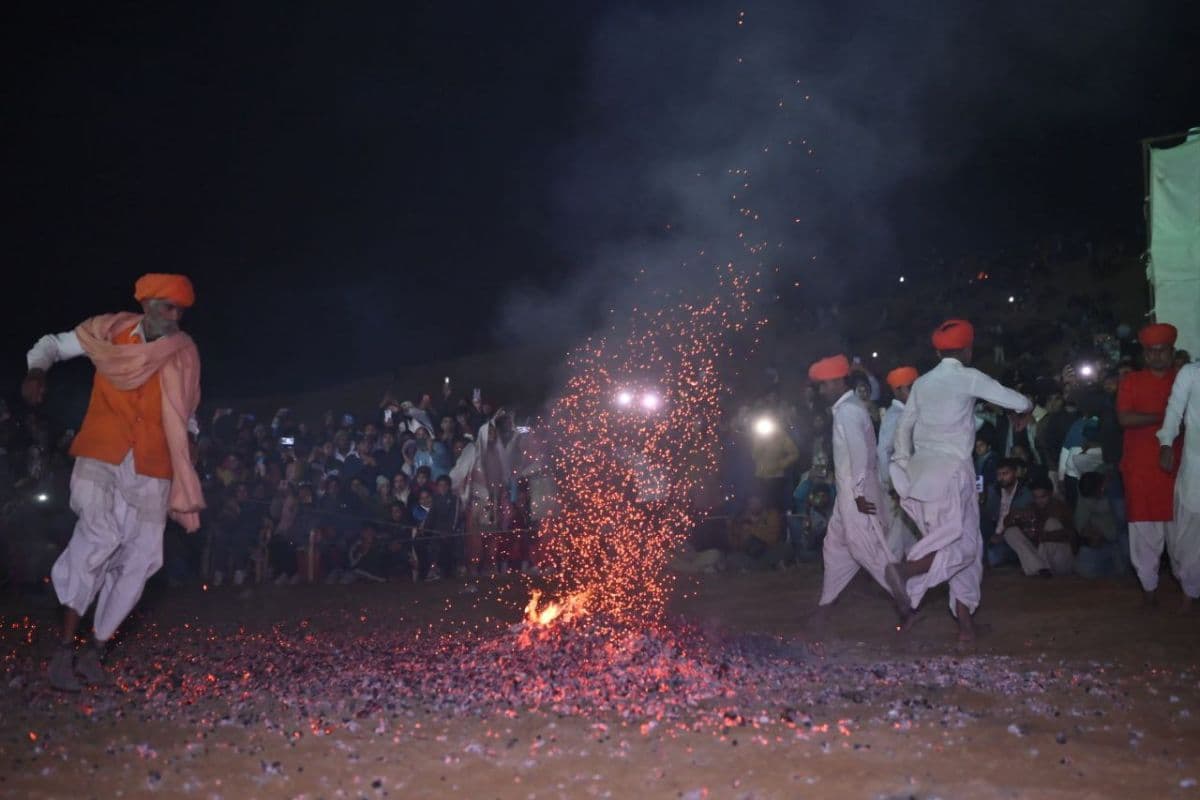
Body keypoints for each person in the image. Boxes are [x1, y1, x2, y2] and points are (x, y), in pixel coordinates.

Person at [22, 274, 204, 691]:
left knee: (141, 560)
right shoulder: (109, 331)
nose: (173, 317)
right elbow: (50, 344)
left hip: (152, 466)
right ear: (146, 305)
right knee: (98, 539)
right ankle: (64, 652)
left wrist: (191, 439)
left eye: (179, 310)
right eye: (166, 308)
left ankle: (95, 651)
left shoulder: (184, 352)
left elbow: (187, 407)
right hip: (101, 455)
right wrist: (36, 370)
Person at [890, 319, 1032, 643]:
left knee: (965, 544)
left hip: (920, 474)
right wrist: (1028, 406)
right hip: (952, 473)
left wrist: (901, 467)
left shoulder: (923, 383)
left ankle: (964, 625)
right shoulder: (968, 377)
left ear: (938, 350)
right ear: (968, 350)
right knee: (964, 548)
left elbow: (904, 428)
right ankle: (905, 572)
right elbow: (1016, 401)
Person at [806, 355, 905, 617]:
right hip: (849, 491)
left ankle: (906, 602)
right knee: (835, 545)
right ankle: (827, 601)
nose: (821, 390)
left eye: (824, 385)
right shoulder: (849, 408)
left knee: (865, 549)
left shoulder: (848, 411)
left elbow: (860, 454)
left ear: (839, 382)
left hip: (855, 491)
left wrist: (859, 493)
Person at [1118, 323, 1182, 607]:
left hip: (1180, 471)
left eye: (1162, 351)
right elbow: (1125, 419)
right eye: (1151, 352)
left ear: (1172, 352)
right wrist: (1167, 417)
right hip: (1141, 470)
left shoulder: (1184, 380)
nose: (1157, 356)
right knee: (1144, 536)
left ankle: (1189, 592)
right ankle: (1149, 591)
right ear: (1145, 354)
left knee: (1184, 535)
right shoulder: (1131, 381)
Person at [1156, 357, 1200, 609]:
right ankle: (1189, 591)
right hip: (1195, 466)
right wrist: (1165, 442)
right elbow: (1174, 410)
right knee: (1187, 534)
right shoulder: (1191, 373)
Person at [878, 366, 919, 560]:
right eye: (909, 387)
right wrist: (890, 485)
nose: (914, 391)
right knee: (896, 531)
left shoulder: (908, 412)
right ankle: (889, 576)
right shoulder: (895, 416)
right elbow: (883, 451)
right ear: (897, 390)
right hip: (895, 483)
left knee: (907, 529)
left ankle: (915, 576)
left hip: (905, 480)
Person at [1000, 476, 1075, 577]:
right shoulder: (1032, 507)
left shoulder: (1060, 508)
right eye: (1036, 497)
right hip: (1042, 561)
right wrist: (1014, 514)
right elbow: (1008, 523)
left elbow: (1071, 536)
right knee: (1010, 532)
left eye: (1043, 497)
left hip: (1061, 560)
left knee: (1051, 523)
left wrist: (1044, 536)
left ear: (1050, 494)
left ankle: (1036, 568)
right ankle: (1040, 569)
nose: (1039, 500)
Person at [982, 458, 1032, 568]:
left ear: (1015, 473)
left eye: (1005, 473)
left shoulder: (1025, 493)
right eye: (999, 474)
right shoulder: (993, 490)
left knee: (993, 557)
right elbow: (989, 515)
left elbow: (1021, 523)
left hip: (1011, 536)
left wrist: (1001, 535)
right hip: (993, 533)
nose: (1001, 478)